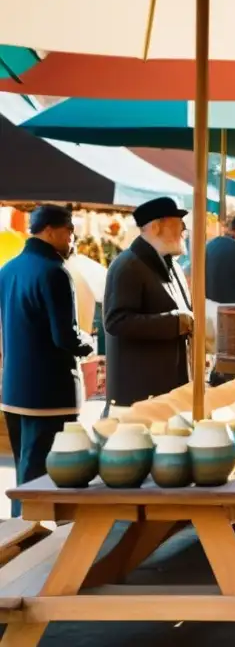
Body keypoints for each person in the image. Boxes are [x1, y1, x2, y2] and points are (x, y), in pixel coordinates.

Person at [0, 205, 94, 514]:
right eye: (69, 231)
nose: (72, 239)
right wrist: (88, 341)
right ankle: (34, 541)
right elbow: (64, 337)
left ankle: (20, 532)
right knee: (48, 477)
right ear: (51, 230)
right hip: (50, 392)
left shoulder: (8, 270)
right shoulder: (55, 271)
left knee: (25, 471)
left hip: (14, 389)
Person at [104, 197, 193, 408]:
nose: (183, 230)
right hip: (140, 393)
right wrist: (174, 322)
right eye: (178, 224)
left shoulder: (173, 266)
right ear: (155, 227)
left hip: (168, 388)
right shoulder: (128, 266)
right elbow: (117, 321)